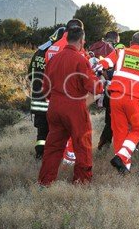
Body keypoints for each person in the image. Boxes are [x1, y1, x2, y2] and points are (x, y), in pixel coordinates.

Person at [38, 26, 103, 186]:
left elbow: (45, 88)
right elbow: (94, 87)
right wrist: (101, 84)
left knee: (53, 147)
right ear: (81, 41)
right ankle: (82, 182)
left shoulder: (53, 59)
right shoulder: (81, 60)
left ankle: (45, 182)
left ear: (67, 39)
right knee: (83, 145)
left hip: (54, 107)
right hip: (74, 107)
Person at [99, 32, 139, 173]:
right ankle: (122, 156)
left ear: (131, 43)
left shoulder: (120, 52)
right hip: (134, 99)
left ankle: (124, 167)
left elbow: (104, 64)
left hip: (116, 98)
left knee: (119, 132)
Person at [28, 26, 65, 159]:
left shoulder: (39, 51)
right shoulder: (57, 52)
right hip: (52, 97)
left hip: (37, 96)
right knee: (55, 128)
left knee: (41, 130)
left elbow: (30, 74)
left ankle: (39, 154)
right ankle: (53, 155)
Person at [95, 31, 123, 150]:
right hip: (114, 90)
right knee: (114, 121)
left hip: (101, 90)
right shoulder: (113, 49)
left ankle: (103, 145)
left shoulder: (95, 47)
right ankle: (109, 147)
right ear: (116, 39)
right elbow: (109, 71)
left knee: (109, 121)